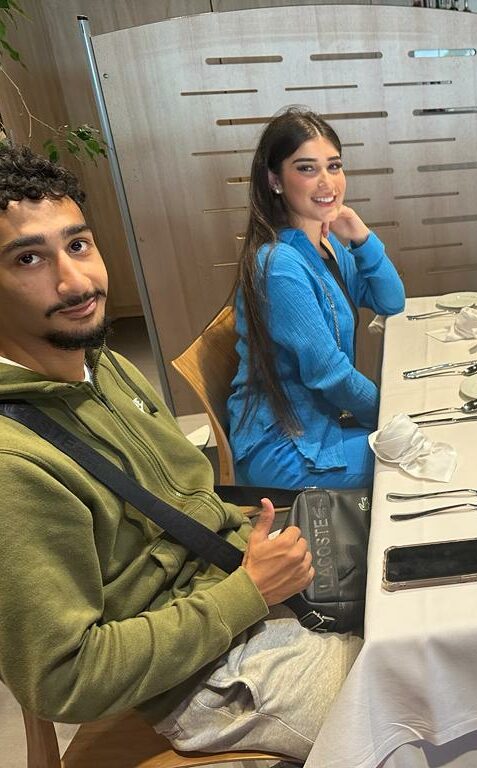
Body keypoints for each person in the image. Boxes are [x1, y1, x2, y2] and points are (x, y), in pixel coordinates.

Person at [0, 145, 360, 760]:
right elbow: (63, 679)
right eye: (28, 258)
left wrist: (266, 565)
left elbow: (190, 498)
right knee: (413, 697)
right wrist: (248, 592)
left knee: (424, 601)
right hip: (202, 678)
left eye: (78, 245)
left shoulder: (104, 367)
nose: (75, 281)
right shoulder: (14, 465)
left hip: (240, 582)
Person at [228, 108, 405, 490]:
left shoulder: (323, 245)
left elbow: (391, 301)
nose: (327, 182)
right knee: (416, 458)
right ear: (275, 180)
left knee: (424, 442)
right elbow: (330, 374)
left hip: (321, 424)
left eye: (334, 166)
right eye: (307, 168)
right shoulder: (278, 265)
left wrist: (359, 234)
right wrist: (393, 412)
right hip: (284, 445)